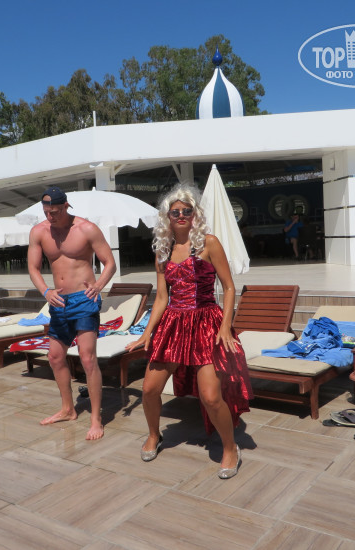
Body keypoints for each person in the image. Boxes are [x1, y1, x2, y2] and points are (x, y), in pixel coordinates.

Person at [125, 184, 253, 479]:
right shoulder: (162, 251)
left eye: (187, 210)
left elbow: (229, 288)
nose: (181, 215)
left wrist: (225, 327)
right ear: (167, 217)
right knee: (149, 389)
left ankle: (230, 448)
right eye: (175, 212)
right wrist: (147, 332)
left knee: (211, 397)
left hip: (206, 324)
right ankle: (154, 435)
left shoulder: (209, 243)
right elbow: (161, 298)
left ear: (195, 214)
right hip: (173, 325)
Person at [27, 186, 116, 440]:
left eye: (55, 211)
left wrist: (99, 286)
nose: (50, 216)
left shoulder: (87, 229)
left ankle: (96, 418)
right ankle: (68, 409)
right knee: (55, 357)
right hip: (58, 301)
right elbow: (33, 268)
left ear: (66, 206)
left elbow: (109, 262)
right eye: (46, 212)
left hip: (84, 299)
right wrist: (46, 291)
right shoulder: (39, 232)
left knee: (87, 358)